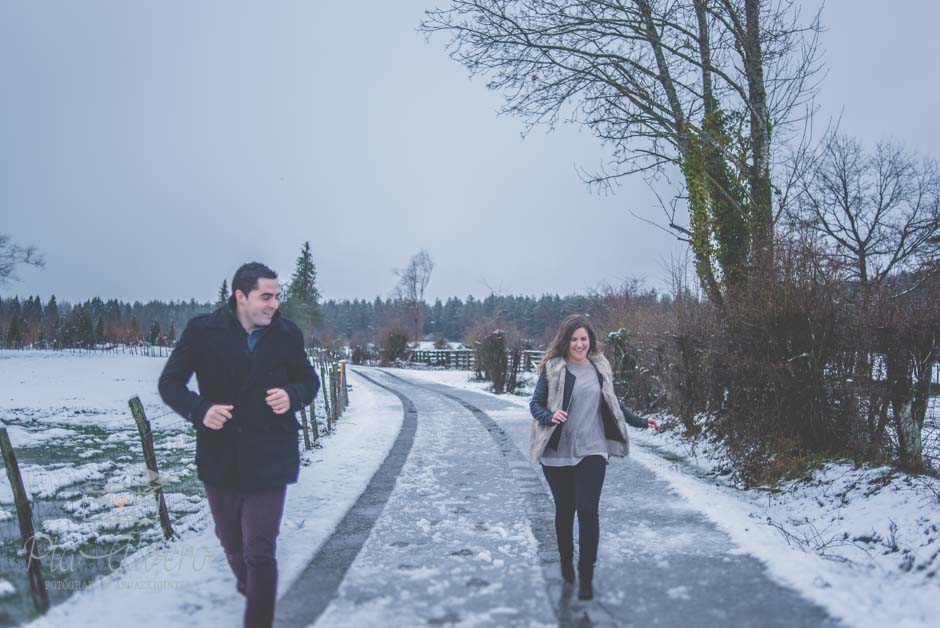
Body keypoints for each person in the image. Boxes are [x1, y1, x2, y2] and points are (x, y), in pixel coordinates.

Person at [158, 262, 319, 628]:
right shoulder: (203, 331)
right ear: (241, 296)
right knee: (232, 544)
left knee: (260, 550)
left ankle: (258, 613)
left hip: (271, 454)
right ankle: (252, 588)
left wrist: (292, 395)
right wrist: (200, 410)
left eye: (277, 297)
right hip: (221, 456)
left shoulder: (287, 334)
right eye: (266, 296)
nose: (274, 304)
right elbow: (170, 383)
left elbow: (309, 381)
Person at [529, 314, 658, 601]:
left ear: (590, 340)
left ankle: (586, 576)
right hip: (558, 453)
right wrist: (550, 416)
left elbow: (612, 402)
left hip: (592, 449)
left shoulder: (600, 366)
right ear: (566, 341)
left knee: (587, 510)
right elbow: (535, 405)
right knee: (565, 512)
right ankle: (566, 564)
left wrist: (640, 421)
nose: (579, 344)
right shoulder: (553, 368)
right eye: (574, 339)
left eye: (584, 339)